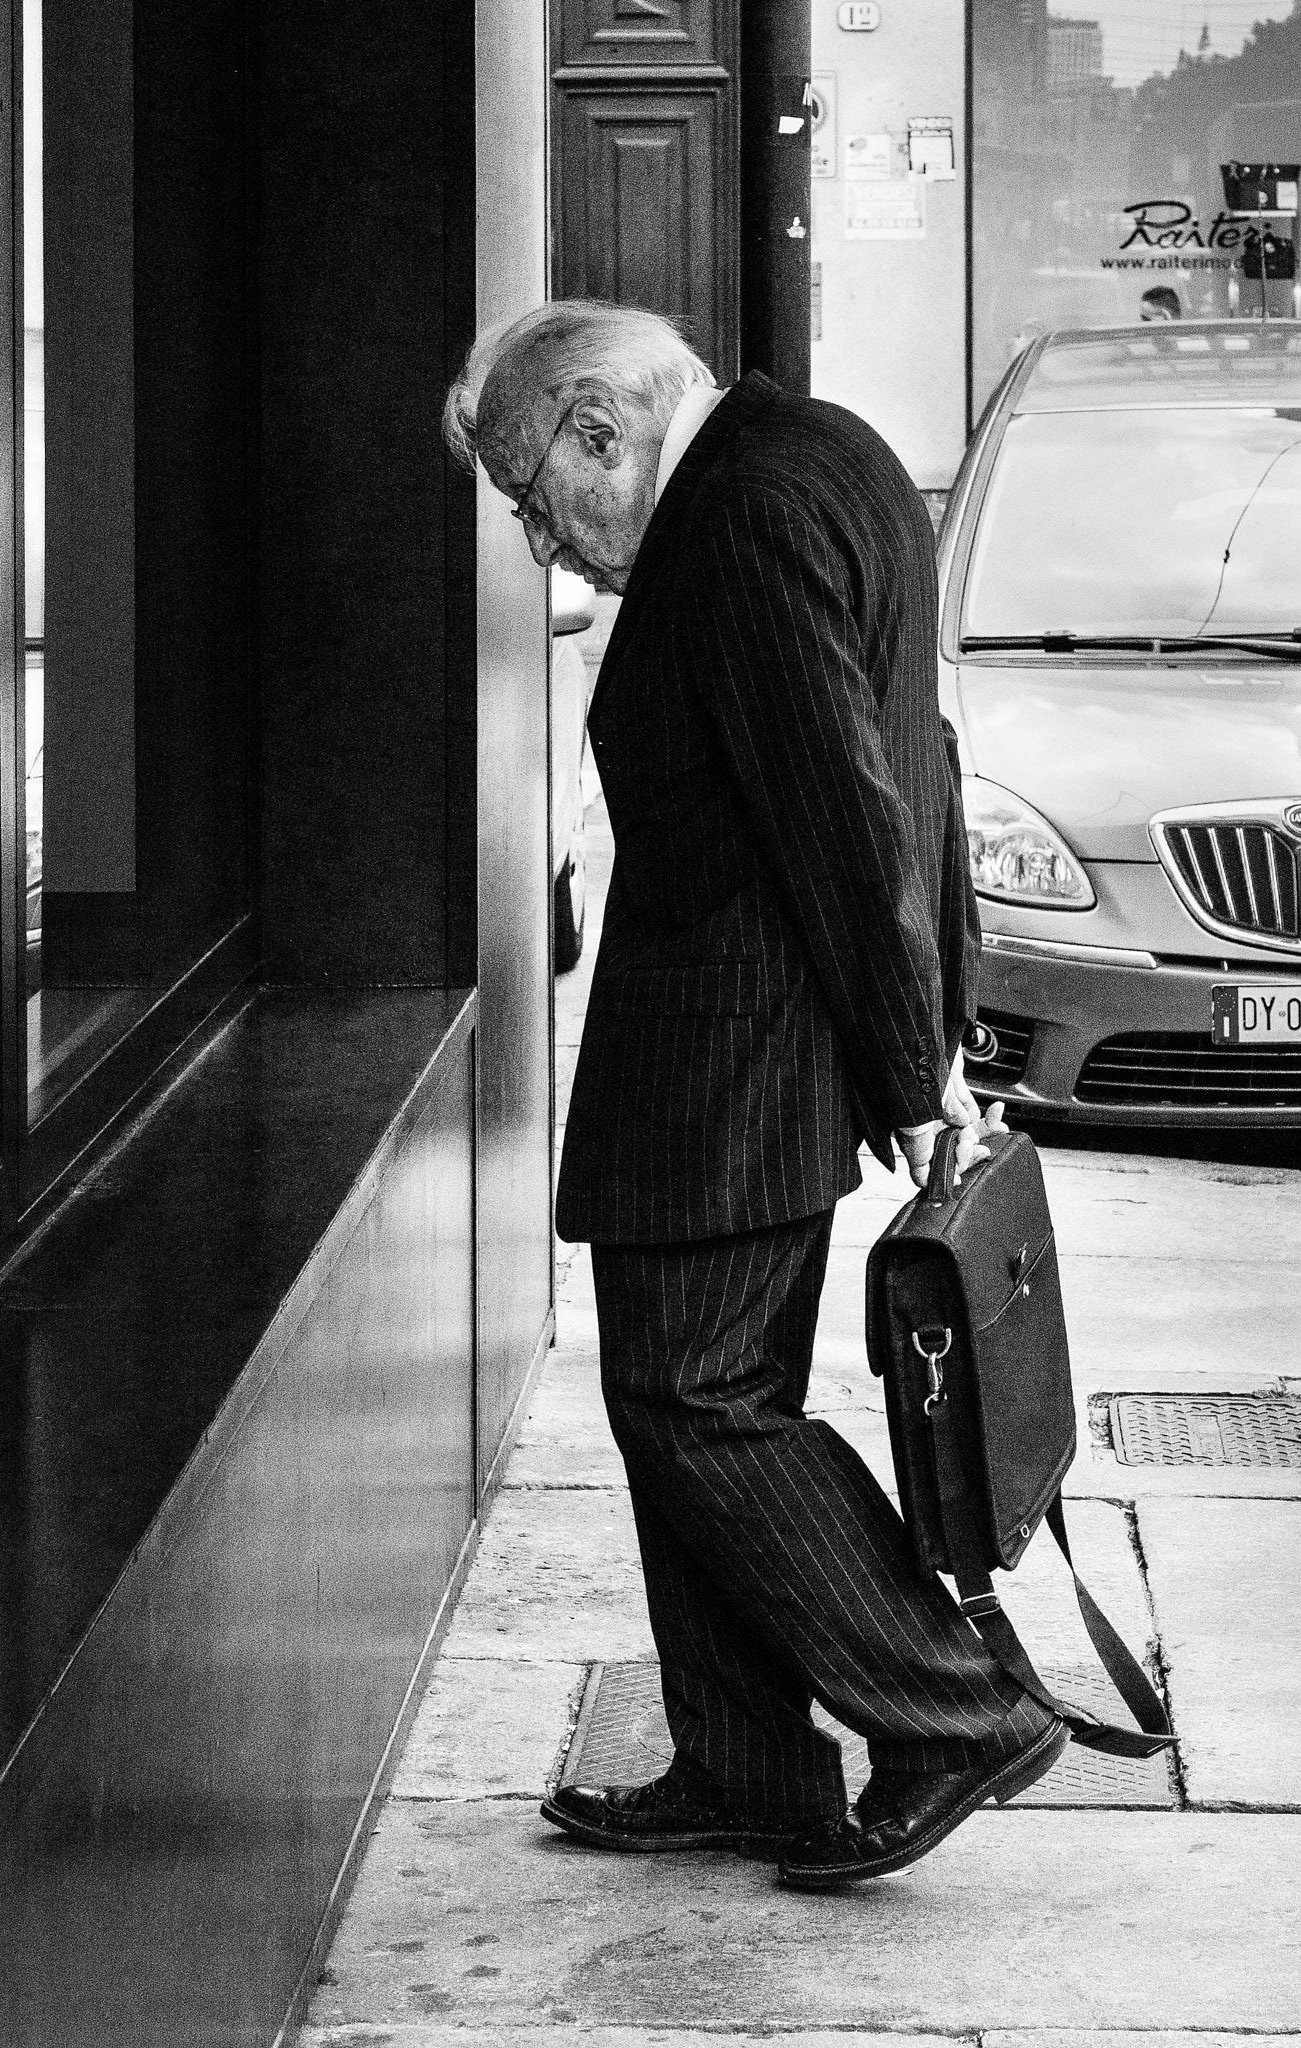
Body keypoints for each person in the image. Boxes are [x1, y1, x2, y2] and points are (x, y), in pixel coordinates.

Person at [441, 301, 1065, 1889]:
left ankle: (953, 1711)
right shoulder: (826, 451)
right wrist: (923, 1019)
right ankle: (743, 1765)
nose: (534, 541)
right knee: (685, 1403)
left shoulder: (743, 515)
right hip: (747, 1054)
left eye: (530, 493)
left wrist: (903, 1064)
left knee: (696, 1403)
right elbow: (907, 745)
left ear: (599, 429)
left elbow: (845, 803)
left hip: (738, 1062)